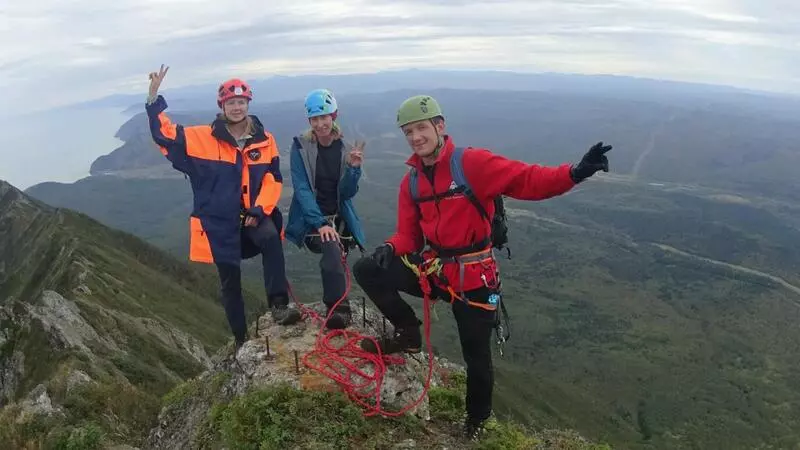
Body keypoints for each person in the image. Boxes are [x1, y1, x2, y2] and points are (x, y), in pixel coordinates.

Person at [353, 94, 612, 440]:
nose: (415, 137)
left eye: (421, 128)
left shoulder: (472, 164)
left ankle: (478, 421)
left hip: (476, 279)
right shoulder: (412, 181)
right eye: (408, 132)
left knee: (475, 354)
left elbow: (527, 179)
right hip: (438, 272)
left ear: (440, 126)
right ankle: (408, 333)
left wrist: (575, 173)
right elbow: (408, 235)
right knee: (367, 268)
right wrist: (390, 248)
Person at [144, 65, 302, 351]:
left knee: (270, 239)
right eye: (231, 102)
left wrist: (261, 208)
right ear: (222, 106)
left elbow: (273, 177)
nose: (237, 107)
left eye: (241, 102)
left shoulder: (266, 141)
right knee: (230, 281)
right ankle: (241, 339)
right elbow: (165, 136)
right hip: (219, 223)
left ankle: (279, 305)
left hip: (253, 215)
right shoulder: (202, 138)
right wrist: (154, 102)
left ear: (248, 104)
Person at [285, 89, 366, 329]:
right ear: (309, 121)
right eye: (315, 119)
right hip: (312, 219)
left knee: (337, 257)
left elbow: (348, 193)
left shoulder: (345, 149)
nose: (320, 124)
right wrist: (320, 223)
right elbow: (302, 189)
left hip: (339, 217)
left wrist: (353, 169)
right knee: (331, 248)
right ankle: (337, 309)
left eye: (324, 117)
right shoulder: (300, 148)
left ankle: (338, 301)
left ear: (334, 116)